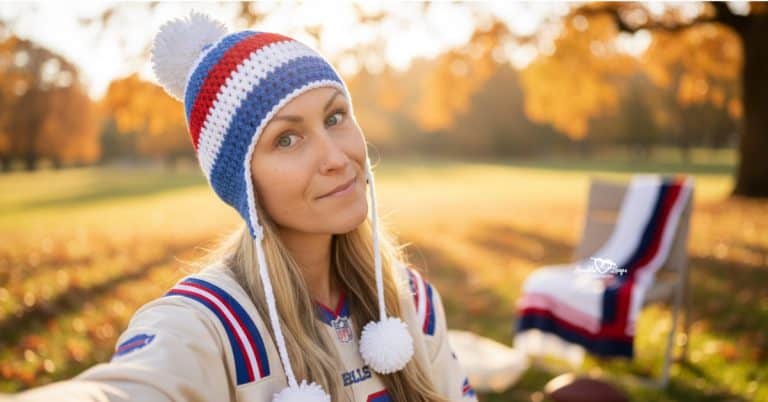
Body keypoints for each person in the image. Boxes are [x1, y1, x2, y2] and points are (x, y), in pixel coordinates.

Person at [4, 11, 477, 402]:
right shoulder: (203, 324)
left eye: (335, 117)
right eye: (287, 139)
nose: (336, 157)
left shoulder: (409, 298)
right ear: (242, 181)